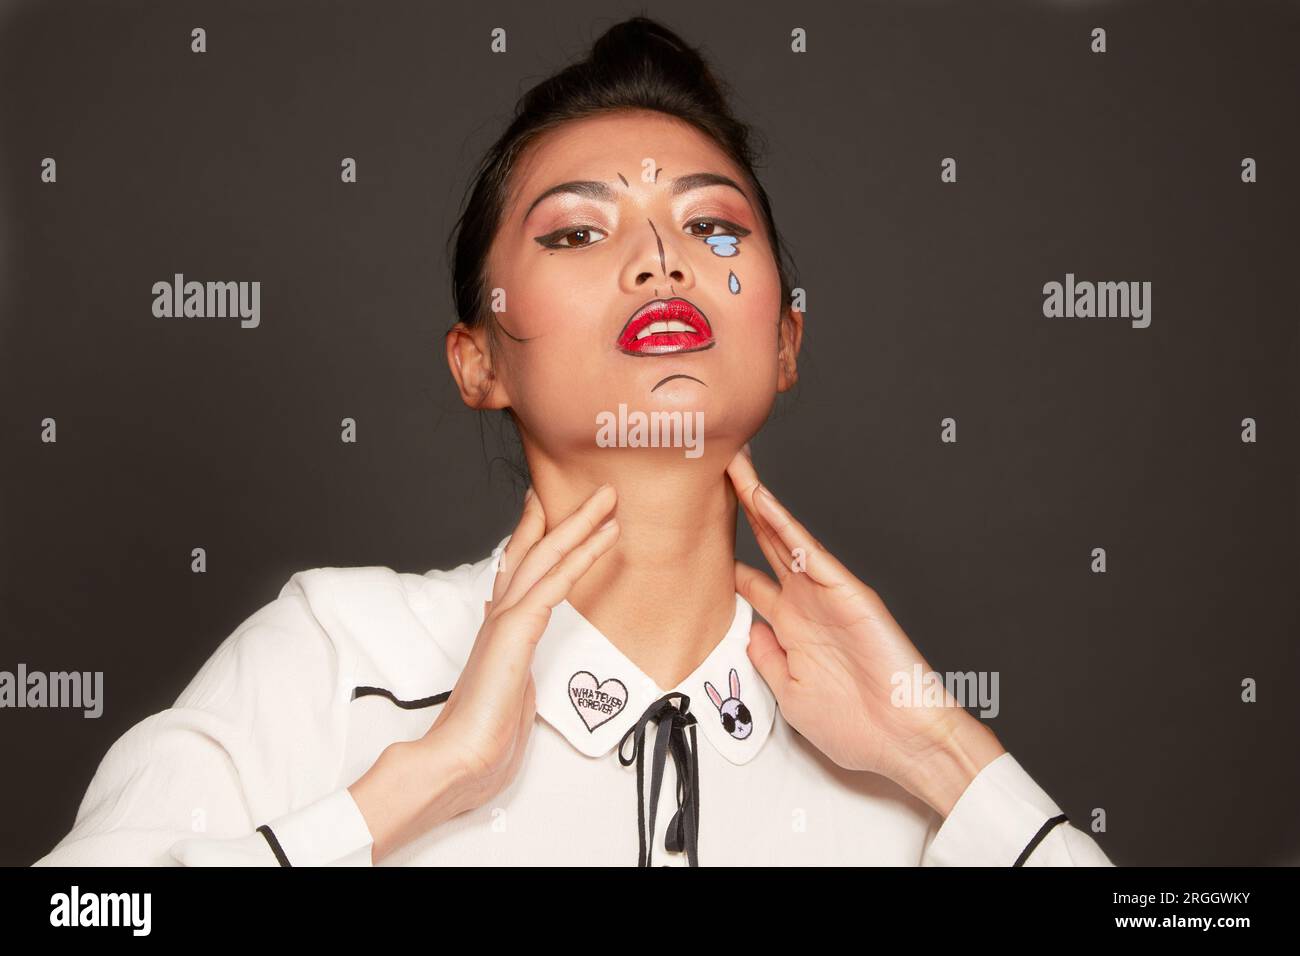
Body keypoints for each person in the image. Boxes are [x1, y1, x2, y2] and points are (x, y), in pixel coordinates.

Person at [34, 16, 1112, 867]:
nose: (658, 257)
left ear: (785, 338)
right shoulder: (335, 657)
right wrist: (422, 780)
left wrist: (941, 748)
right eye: (576, 231)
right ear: (478, 359)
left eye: (714, 225)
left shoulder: (894, 758)